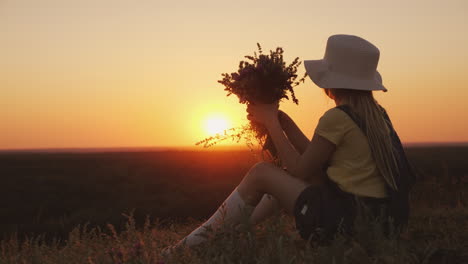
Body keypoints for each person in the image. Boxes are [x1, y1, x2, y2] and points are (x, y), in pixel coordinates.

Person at [163, 34, 414, 255]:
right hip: (378, 222)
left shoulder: (337, 118)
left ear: (331, 82)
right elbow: (317, 159)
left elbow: (300, 170)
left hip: (345, 224)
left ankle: (187, 247)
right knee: (280, 181)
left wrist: (271, 121)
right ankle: (227, 234)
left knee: (262, 173)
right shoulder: (376, 116)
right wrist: (284, 123)